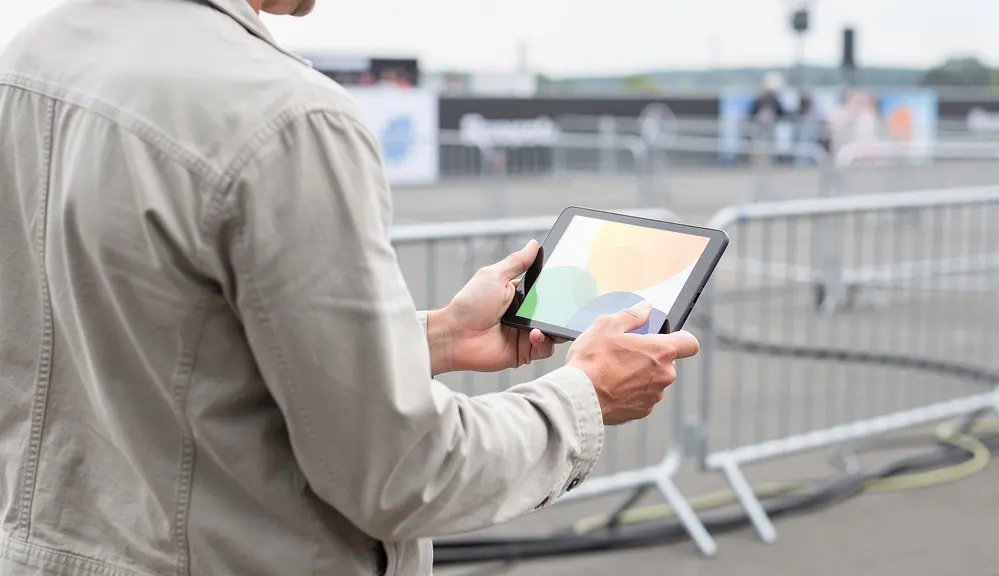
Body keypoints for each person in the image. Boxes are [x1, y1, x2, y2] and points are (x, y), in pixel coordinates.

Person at [0, 1, 700, 575]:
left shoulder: (23, 63)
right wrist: (583, 398)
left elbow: (148, 345)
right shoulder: (285, 117)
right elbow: (400, 473)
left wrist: (437, 338)